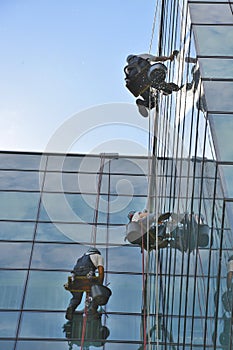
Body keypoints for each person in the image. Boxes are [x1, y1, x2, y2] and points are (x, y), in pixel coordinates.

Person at [124, 51, 180, 117]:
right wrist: (169, 58)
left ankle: (141, 103)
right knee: (164, 87)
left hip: (140, 86)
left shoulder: (128, 69)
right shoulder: (140, 57)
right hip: (149, 77)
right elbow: (157, 59)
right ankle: (176, 88)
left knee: (151, 103)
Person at [65, 247, 104, 321]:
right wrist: (100, 286)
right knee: (96, 294)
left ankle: (71, 307)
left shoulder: (80, 259)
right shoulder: (98, 256)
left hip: (76, 278)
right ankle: (93, 310)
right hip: (87, 276)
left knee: (76, 298)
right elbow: (101, 272)